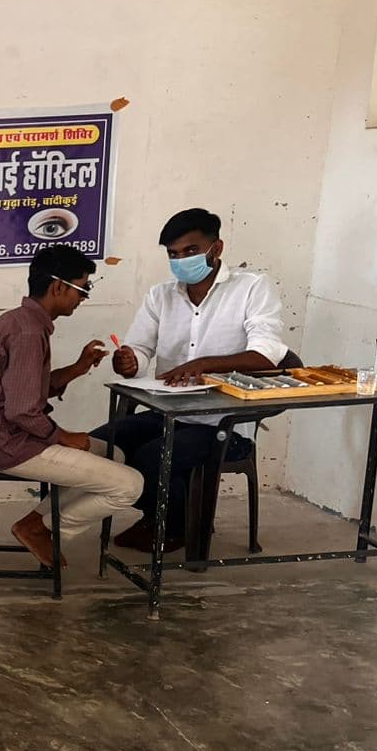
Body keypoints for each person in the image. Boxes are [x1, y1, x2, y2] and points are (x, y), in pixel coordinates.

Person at [96, 208, 288, 552]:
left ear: (216, 248)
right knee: (101, 446)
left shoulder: (251, 289)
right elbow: (139, 349)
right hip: (169, 412)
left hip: (225, 423)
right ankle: (172, 516)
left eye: (190, 251)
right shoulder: (161, 296)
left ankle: (176, 527)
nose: (181, 260)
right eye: (173, 254)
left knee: (153, 457)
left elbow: (267, 355)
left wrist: (205, 365)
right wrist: (129, 361)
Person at [0, 245, 145, 566]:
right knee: (130, 485)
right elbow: (21, 410)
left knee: (113, 455)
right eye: (83, 289)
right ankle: (43, 529)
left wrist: (78, 367)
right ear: (59, 287)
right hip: (14, 446)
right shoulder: (27, 332)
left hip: (11, 437)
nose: (84, 298)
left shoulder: (22, 322)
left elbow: (26, 390)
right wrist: (63, 437)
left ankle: (36, 524)